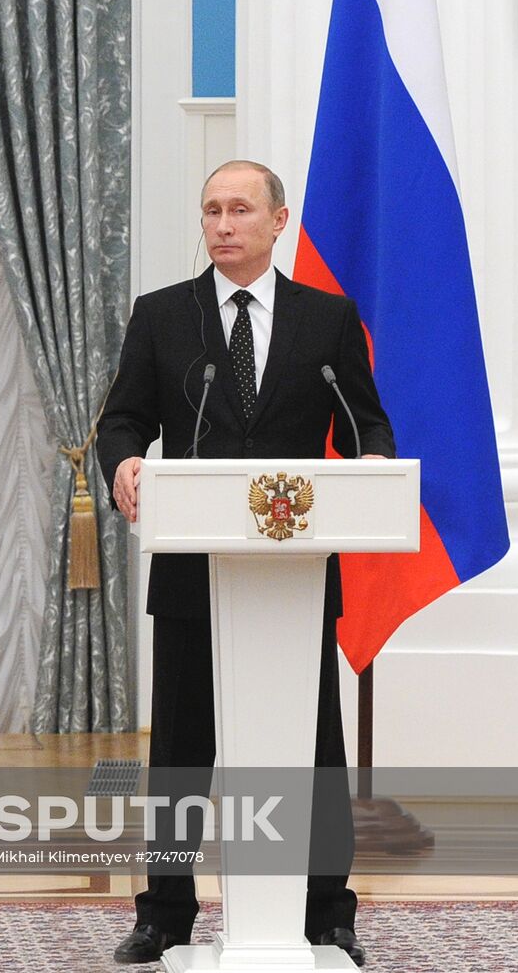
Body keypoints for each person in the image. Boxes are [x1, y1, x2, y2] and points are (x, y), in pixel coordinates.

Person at [96, 161, 394, 967]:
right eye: (211, 212)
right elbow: (121, 421)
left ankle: (327, 911)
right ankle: (164, 914)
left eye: (239, 210)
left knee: (315, 746)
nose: (223, 225)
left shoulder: (326, 320)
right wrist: (123, 462)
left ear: (277, 220)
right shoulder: (164, 316)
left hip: (294, 576)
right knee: (182, 750)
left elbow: (368, 425)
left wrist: (371, 464)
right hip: (196, 567)